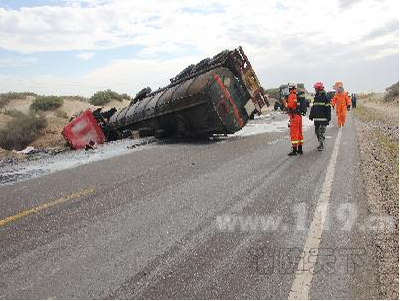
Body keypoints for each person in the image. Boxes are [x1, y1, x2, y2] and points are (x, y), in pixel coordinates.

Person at [309, 82, 331, 151]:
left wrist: (328, 117)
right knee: (317, 132)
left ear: (318, 89)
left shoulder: (325, 97)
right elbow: (314, 107)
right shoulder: (316, 97)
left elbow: (328, 108)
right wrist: (311, 115)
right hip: (317, 119)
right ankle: (321, 140)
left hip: (324, 119)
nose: (315, 90)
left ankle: (321, 145)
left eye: (315, 88)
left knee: (321, 132)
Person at [286, 84, 303, 156]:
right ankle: (300, 149)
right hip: (299, 116)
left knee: (294, 133)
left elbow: (290, 105)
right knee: (299, 132)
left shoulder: (291, 95)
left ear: (290, 89)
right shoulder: (297, 95)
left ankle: (294, 150)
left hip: (294, 116)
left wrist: (286, 104)